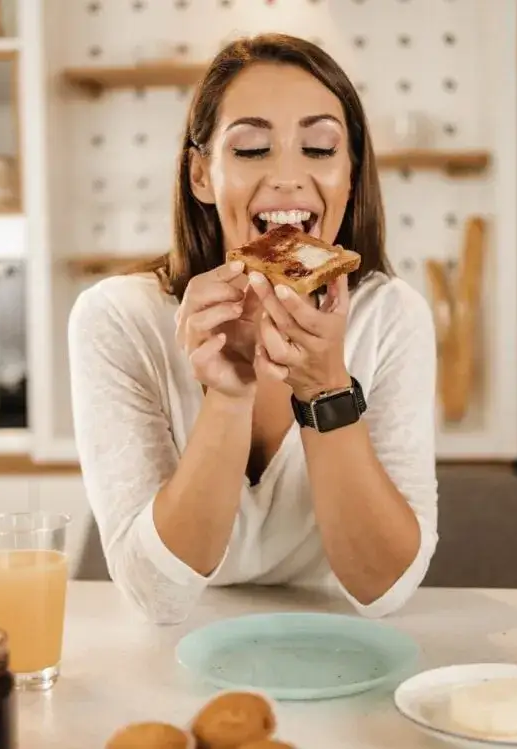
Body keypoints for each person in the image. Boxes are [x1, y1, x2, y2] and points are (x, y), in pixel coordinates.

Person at [68, 33, 438, 625]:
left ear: (350, 175)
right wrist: (229, 395)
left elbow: (385, 591)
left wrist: (324, 389)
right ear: (201, 175)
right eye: (251, 149)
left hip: (336, 644)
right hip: (174, 652)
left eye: (319, 149)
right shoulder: (117, 320)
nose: (288, 177)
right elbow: (156, 599)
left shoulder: (392, 317)